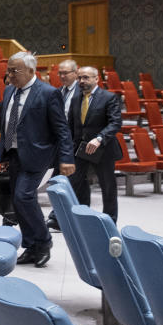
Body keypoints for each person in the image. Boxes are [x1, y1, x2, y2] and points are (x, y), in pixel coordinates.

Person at [0, 52, 74, 267]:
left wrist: (66, 158)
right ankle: (31, 246)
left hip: (38, 156)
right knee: (17, 203)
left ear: (30, 70)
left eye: (14, 70)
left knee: (23, 197)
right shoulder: (9, 91)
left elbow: (62, 130)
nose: (9, 75)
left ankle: (44, 242)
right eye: (8, 70)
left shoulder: (48, 93)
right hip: (14, 154)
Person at [67, 66, 122, 222]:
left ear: (96, 79)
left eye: (86, 77)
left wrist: (99, 138)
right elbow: (71, 125)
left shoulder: (109, 97)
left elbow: (115, 123)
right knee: (74, 183)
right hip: (80, 148)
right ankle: (81, 217)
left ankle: (110, 220)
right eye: (79, 78)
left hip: (103, 148)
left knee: (108, 186)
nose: (82, 81)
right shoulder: (76, 99)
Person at [46, 58, 78, 231]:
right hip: (60, 143)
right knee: (58, 180)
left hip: (76, 143)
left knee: (72, 182)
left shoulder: (83, 92)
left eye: (66, 73)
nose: (62, 76)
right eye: (60, 73)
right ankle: (57, 216)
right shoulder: (58, 92)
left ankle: (61, 216)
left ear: (76, 73)